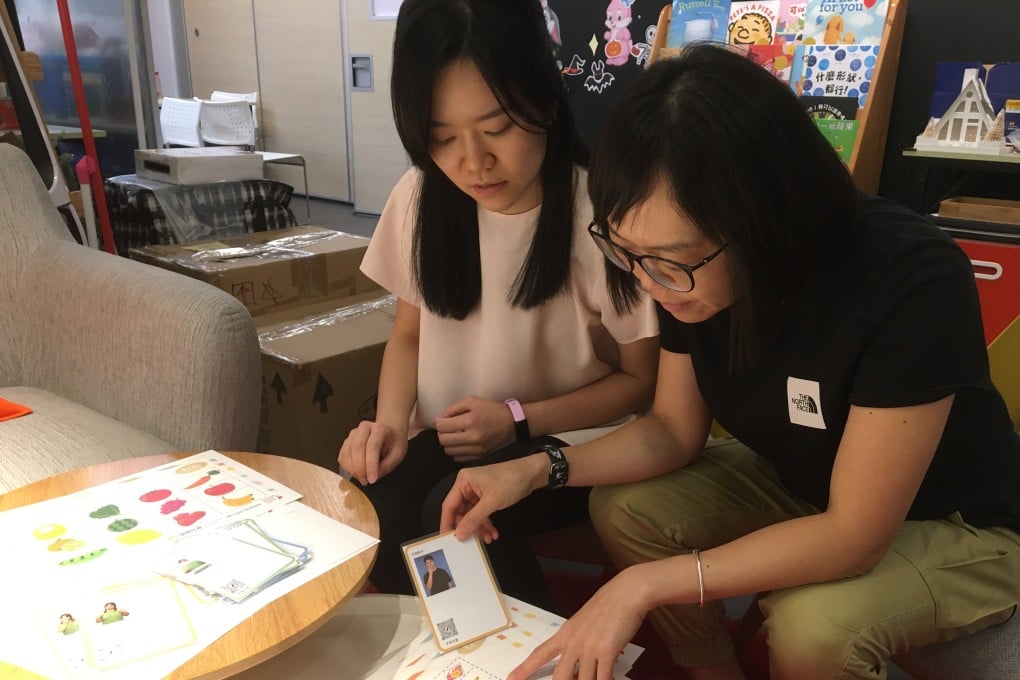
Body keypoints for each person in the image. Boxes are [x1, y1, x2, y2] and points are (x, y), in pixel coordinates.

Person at [440, 43, 1020, 680]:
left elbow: (855, 532)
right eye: (626, 252)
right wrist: (535, 467)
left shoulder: (908, 275)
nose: (650, 283)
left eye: (673, 259)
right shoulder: (680, 275)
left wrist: (641, 587)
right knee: (626, 508)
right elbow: (670, 431)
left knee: (813, 629)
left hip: (961, 524)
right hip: (806, 485)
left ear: (763, 221)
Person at [337, 0, 659, 610]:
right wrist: (386, 425)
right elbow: (409, 336)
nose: (473, 162)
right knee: (374, 502)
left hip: (571, 439)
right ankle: (457, 651)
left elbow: (640, 385)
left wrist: (515, 418)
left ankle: (535, 657)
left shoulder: (599, 216)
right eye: (441, 138)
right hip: (457, 435)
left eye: (498, 128)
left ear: (545, 98)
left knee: (456, 513)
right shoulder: (420, 198)